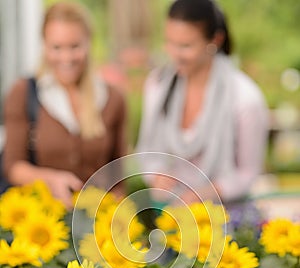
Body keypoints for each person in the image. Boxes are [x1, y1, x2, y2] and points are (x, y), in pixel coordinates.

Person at [136, 0, 269, 205]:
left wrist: (209, 192)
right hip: (170, 212)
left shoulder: (245, 99)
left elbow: (248, 173)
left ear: (215, 40)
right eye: (169, 42)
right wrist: (157, 176)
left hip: (227, 217)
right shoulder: (157, 85)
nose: (174, 54)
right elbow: (147, 153)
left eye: (185, 46)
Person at [3, 1, 127, 208]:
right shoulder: (24, 93)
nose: (66, 58)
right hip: (41, 219)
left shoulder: (113, 98)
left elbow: (119, 178)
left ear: (89, 43)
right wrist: (48, 179)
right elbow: (12, 166)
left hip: (94, 221)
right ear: (44, 45)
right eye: (56, 47)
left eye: (74, 46)